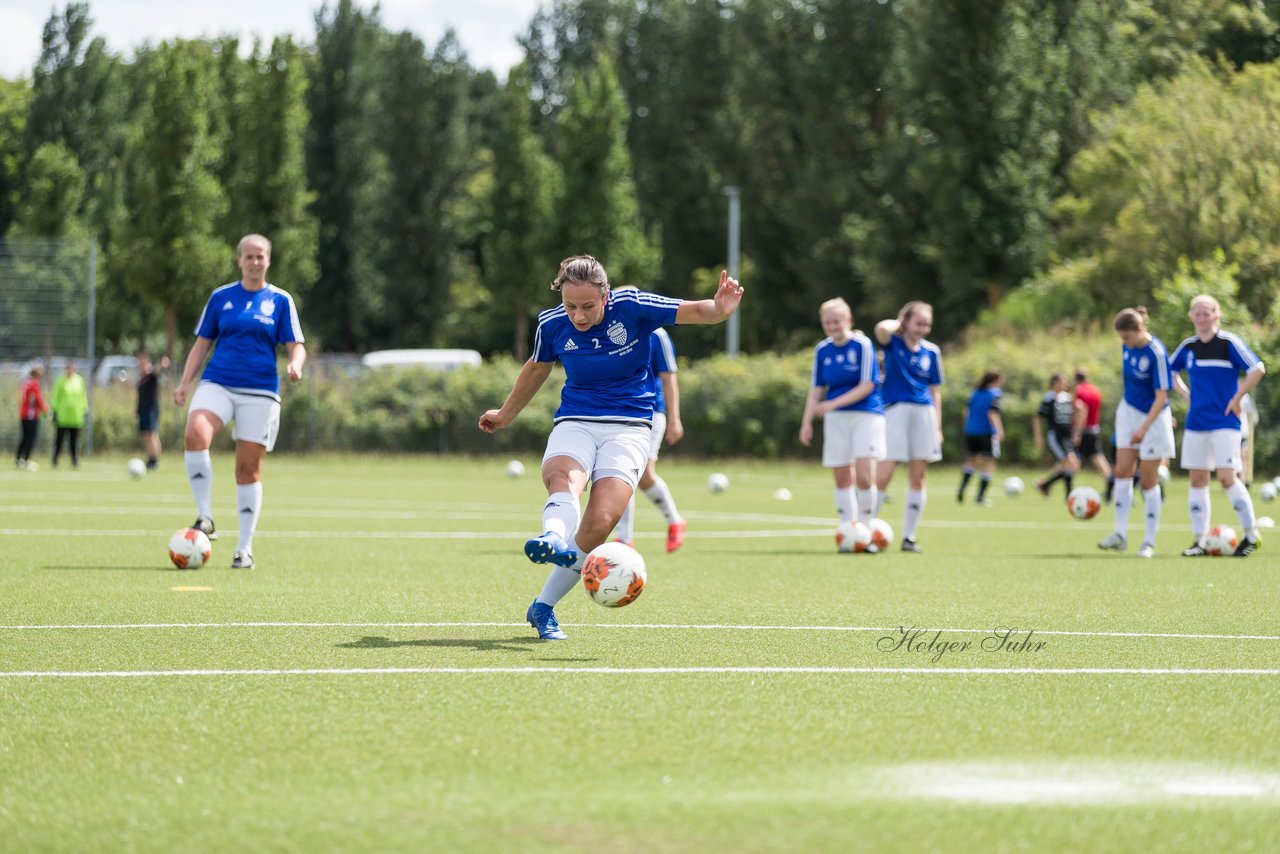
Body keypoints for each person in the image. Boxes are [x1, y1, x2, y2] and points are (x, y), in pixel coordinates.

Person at [479, 256, 742, 640]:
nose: (578, 316)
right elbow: (536, 369)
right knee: (563, 478)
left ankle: (543, 607)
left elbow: (695, 311)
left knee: (601, 522)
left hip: (630, 427)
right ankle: (552, 537)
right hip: (577, 420)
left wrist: (720, 310)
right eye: (570, 306)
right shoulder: (551, 324)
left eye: (587, 306)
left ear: (606, 296)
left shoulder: (633, 306)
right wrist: (505, 414)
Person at [173, 234, 306, 570]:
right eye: (249, 256)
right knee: (195, 433)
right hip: (218, 381)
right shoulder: (221, 298)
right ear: (239, 260)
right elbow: (202, 345)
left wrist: (295, 364)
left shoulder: (280, 300)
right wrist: (185, 383)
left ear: (268, 261)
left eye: (260, 256)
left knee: (248, 470)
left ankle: (244, 549)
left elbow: (296, 345)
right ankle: (205, 517)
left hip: (260, 390)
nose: (254, 262)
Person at [1169, 294, 1265, 557]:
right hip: (1196, 423)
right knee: (1198, 479)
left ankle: (1251, 535)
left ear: (1216, 316)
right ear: (1192, 317)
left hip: (1225, 421)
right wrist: (1186, 395)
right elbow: (1169, 371)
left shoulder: (1228, 343)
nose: (1202, 317)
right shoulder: (1188, 346)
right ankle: (1200, 540)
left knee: (1226, 477)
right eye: (1197, 313)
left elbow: (1257, 369)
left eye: (1207, 313)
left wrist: (1237, 398)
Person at [800, 297, 884, 537]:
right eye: (827, 323)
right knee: (841, 474)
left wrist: (832, 403)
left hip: (866, 415)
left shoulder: (862, 345)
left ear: (848, 320)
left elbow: (867, 385)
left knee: (865, 476)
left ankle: (866, 528)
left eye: (836, 321)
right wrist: (806, 422)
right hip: (836, 418)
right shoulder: (822, 349)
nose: (832, 326)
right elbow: (816, 389)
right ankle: (848, 527)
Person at [1096, 307, 1176, 558]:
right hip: (1128, 411)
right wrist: (1127, 419)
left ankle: (1148, 542)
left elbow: (1162, 395)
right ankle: (1120, 534)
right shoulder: (1127, 346)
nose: (1124, 342)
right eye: (1121, 337)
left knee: (1148, 479)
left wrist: (1143, 428)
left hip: (1152, 418)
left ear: (1140, 330)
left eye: (1127, 337)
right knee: (1121, 471)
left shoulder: (1157, 353)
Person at [873, 301, 943, 552]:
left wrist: (937, 426)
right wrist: (900, 324)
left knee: (918, 475)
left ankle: (909, 537)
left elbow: (935, 393)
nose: (923, 328)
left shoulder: (932, 352)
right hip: (895, 410)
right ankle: (867, 530)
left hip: (924, 413)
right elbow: (881, 328)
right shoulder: (894, 343)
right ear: (906, 322)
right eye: (918, 322)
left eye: (927, 324)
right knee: (884, 473)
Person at [613, 325, 687, 553]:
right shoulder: (610, 328)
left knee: (640, 475)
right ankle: (624, 538)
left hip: (650, 413)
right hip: (618, 412)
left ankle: (674, 521)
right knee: (623, 473)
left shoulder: (657, 334)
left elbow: (669, 378)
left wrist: (674, 418)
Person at [956, 370, 1004, 506]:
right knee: (989, 462)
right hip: (986, 431)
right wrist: (999, 430)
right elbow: (992, 413)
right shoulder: (995, 394)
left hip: (971, 430)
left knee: (971, 460)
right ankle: (980, 497)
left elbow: (966, 412)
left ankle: (962, 489)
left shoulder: (975, 393)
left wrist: (970, 426)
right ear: (996, 380)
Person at [1033, 374, 1081, 498]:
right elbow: (1038, 418)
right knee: (1069, 461)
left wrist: (1076, 431)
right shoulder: (1049, 398)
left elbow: (1075, 414)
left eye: (1065, 382)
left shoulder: (1067, 398)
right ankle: (1069, 496)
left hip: (1067, 435)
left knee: (1073, 464)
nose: (1064, 384)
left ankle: (1045, 485)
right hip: (1056, 435)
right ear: (1054, 383)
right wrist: (1038, 436)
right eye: (1061, 382)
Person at [1073, 369, 1113, 491]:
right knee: (1099, 459)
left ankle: (1067, 488)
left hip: (1082, 429)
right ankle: (1111, 482)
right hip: (1094, 429)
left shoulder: (1078, 391)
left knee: (1071, 459)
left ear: (1076, 380)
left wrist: (1077, 433)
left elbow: (1082, 412)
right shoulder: (1095, 390)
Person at [50, 359, 89, 467]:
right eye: (67, 368)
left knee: (74, 441)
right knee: (59, 440)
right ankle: (55, 459)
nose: (69, 370)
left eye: (71, 368)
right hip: (63, 416)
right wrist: (55, 411)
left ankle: (75, 460)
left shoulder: (79, 380)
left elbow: (83, 397)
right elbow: (55, 397)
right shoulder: (60, 380)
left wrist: (85, 409)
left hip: (76, 416)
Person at [137, 352, 171, 469]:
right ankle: (150, 458)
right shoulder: (142, 378)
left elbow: (158, 370)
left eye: (141, 363)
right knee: (147, 435)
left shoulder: (151, 375)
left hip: (151, 409)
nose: (139, 366)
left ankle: (155, 460)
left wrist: (162, 364)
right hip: (143, 410)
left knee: (153, 434)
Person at [15, 365, 49, 470]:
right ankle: (25, 459)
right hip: (31, 415)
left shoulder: (26, 383)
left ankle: (18, 459)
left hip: (23, 414)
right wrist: (46, 410)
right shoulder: (34, 384)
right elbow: (37, 399)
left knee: (24, 437)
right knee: (30, 438)